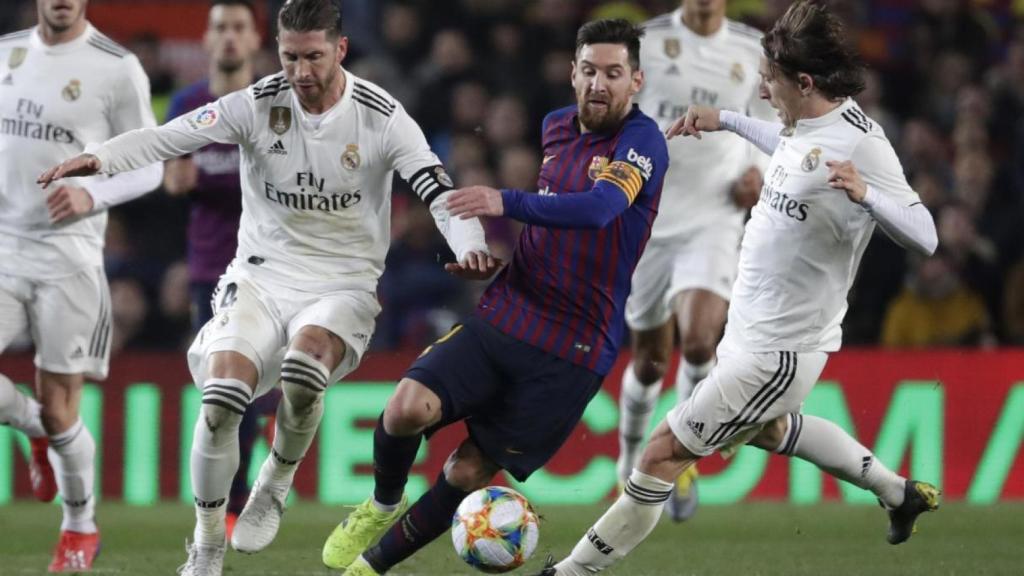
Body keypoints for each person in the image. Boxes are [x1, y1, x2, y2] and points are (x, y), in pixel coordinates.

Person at [38, 1, 495, 574]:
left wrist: (468, 242)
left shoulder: (381, 114)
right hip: (259, 276)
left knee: (306, 369)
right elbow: (168, 138)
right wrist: (97, 158)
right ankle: (206, 542)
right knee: (222, 398)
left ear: (341, 50)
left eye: (313, 57)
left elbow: (436, 187)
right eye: (289, 57)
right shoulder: (257, 104)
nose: (300, 72)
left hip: (343, 282)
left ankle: (276, 478)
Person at [536, 3, 941, 574]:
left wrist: (868, 198)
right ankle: (900, 494)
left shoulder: (862, 145)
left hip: (780, 348)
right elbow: (785, 145)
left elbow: (925, 235)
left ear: (803, 83)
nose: (762, 88)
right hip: (751, 335)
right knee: (772, 428)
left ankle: (569, 571)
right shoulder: (804, 126)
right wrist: (725, 119)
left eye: (769, 81)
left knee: (662, 453)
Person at [321, 18, 669, 576]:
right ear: (574, 74)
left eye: (613, 73)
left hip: (572, 347)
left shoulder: (642, 141)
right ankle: (383, 503)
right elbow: (553, 225)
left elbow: (599, 209)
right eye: (589, 70)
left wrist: (501, 199)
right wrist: (491, 261)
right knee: (406, 407)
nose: (599, 83)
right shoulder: (556, 127)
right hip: (511, 310)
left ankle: (368, 568)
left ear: (636, 81)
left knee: (466, 472)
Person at [0, 0, 162, 571]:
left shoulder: (116, 67)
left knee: (61, 406)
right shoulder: (5, 53)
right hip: (3, 249)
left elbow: (150, 164)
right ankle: (30, 429)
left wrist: (93, 194)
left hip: (69, 259)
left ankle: (79, 528)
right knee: (43, 414)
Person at [618, 0, 775, 521]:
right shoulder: (644, 41)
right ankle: (628, 457)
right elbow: (614, 110)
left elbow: (771, 125)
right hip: (649, 214)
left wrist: (757, 172)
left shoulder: (752, 50)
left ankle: (678, 458)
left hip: (715, 212)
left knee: (703, 341)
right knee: (649, 361)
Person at [163, 0, 274, 539]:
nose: (229, 38)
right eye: (220, 29)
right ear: (207, 41)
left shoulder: (272, 103)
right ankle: (228, 501)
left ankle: (239, 495)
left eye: (238, 28)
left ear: (255, 41)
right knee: (227, 389)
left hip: (274, 267)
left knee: (256, 392)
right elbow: (174, 181)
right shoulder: (188, 104)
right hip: (211, 266)